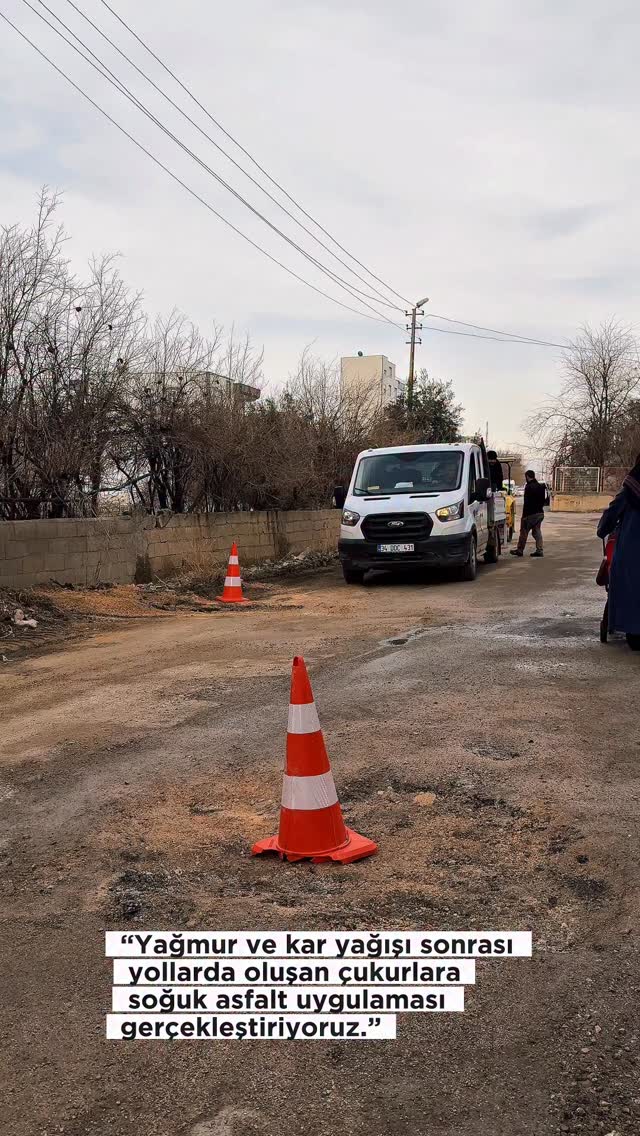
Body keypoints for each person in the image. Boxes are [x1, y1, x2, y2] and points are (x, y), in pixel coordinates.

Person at [597, 454, 640, 651]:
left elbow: (611, 514)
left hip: (632, 551)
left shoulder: (631, 489)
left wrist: (602, 530)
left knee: (629, 586)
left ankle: (634, 631)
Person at [510, 470, 546, 557]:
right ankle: (539, 550)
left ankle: (520, 550)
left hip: (529, 514)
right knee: (537, 531)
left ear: (527, 476)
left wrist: (524, 516)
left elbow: (527, 502)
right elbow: (544, 500)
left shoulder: (528, 487)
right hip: (540, 513)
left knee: (524, 532)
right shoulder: (541, 486)